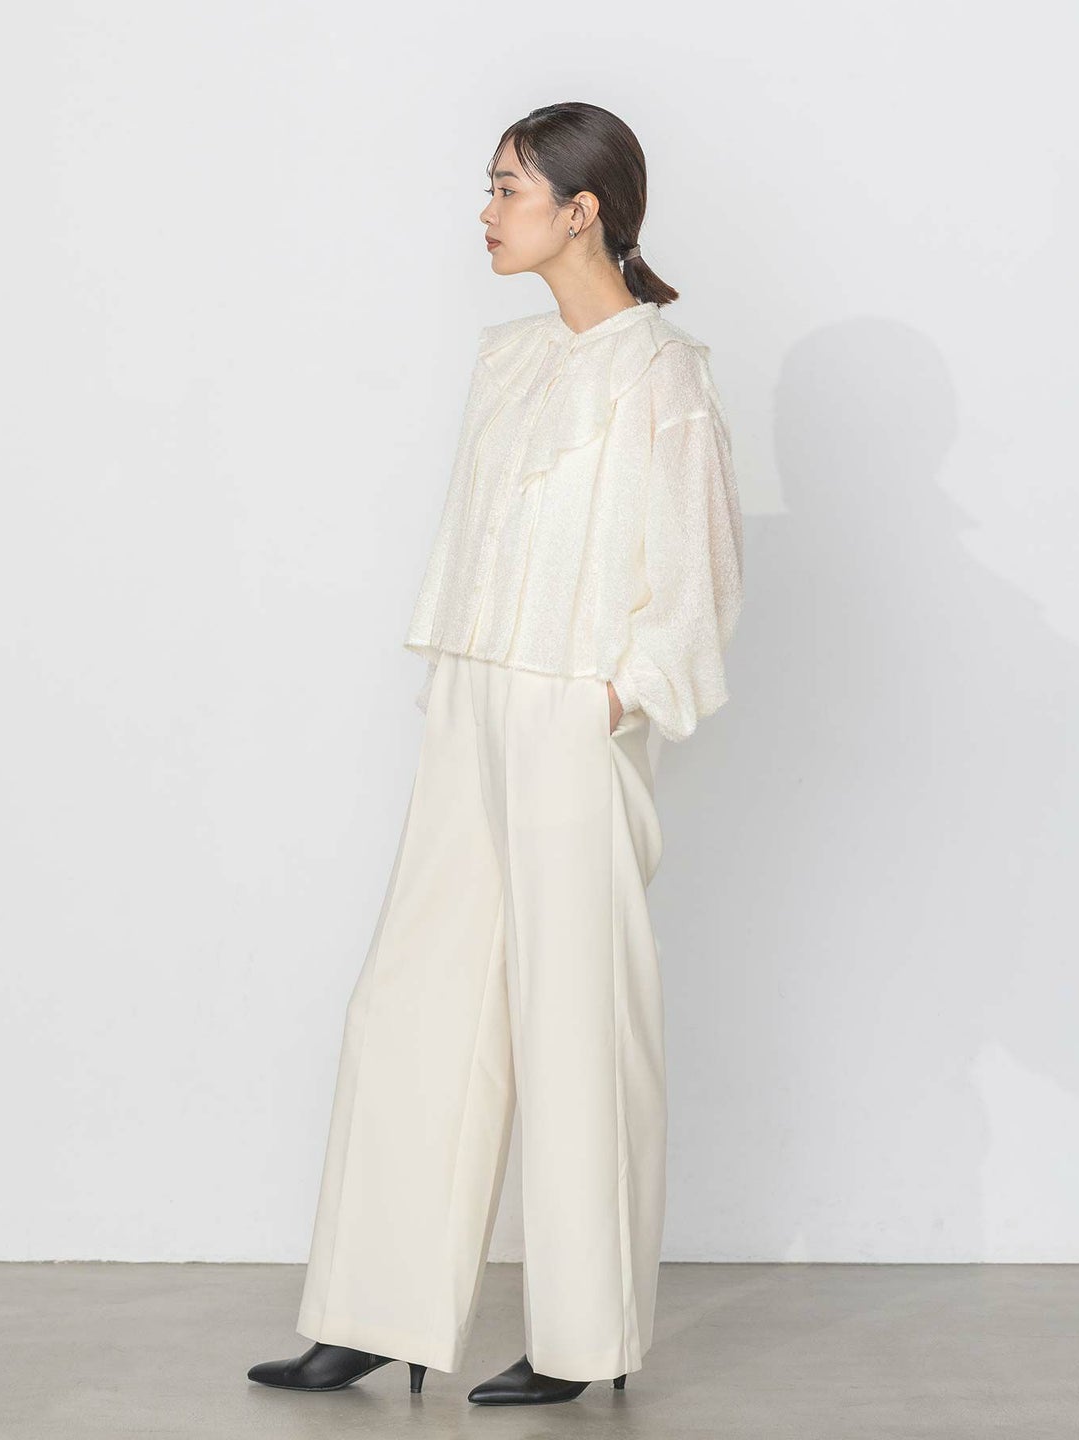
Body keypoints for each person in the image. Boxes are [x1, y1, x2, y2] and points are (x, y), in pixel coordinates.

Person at [247, 100, 744, 1407]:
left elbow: (699, 579)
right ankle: (376, 1310)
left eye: (510, 188)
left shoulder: (663, 375)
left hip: (572, 712)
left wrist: (611, 699)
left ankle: (586, 1339)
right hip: (472, 690)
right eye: (493, 185)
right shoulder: (509, 360)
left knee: (577, 1022)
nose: (486, 211)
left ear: (583, 211)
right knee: (414, 997)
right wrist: (471, 677)